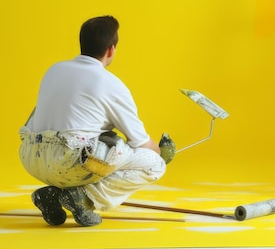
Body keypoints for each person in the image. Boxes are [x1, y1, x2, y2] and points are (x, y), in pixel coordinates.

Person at [19, 15, 175, 226]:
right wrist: (161, 153)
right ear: (111, 50)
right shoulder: (110, 84)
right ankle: (83, 199)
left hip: (31, 158)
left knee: (99, 140)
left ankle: (55, 195)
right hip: (70, 161)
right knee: (153, 163)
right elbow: (139, 142)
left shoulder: (54, 70)